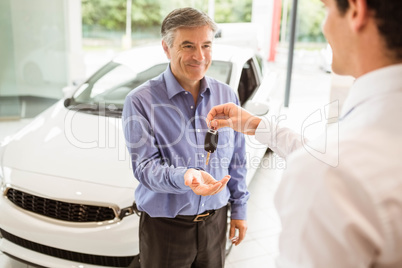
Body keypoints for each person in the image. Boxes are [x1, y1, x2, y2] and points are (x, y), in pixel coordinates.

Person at [207, 0, 402, 267]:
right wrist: (256, 125)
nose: (324, 26)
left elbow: (331, 163)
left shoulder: (329, 177)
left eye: (326, 9)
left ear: (356, 11)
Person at [122, 7, 249, 268]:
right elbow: (145, 168)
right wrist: (185, 177)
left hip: (215, 222)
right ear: (167, 48)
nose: (199, 56)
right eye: (188, 46)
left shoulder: (227, 95)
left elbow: (237, 159)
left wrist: (239, 210)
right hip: (165, 228)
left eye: (206, 45)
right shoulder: (140, 101)